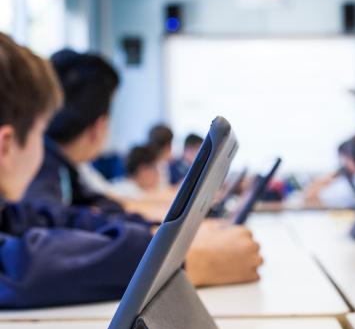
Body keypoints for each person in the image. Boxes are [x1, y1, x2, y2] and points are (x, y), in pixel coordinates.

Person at [0, 35, 263, 308]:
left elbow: (61, 219)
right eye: (40, 132)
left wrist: (158, 239)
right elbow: (20, 268)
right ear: (6, 145)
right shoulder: (46, 174)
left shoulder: (12, 209)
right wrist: (179, 263)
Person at [24, 49, 127, 214]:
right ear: (99, 125)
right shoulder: (42, 171)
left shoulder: (61, 168)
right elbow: (51, 225)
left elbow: (94, 202)